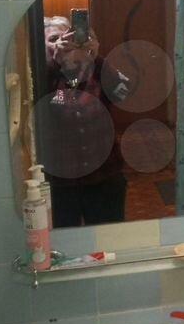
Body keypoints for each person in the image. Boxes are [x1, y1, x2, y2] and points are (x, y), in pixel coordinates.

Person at [38, 15, 131, 227]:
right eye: (53, 39)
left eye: (71, 38)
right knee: (65, 240)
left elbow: (123, 93)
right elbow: (41, 106)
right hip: (60, 182)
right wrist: (56, 63)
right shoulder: (42, 74)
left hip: (105, 175)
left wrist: (96, 59)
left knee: (108, 238)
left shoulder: (95, 69)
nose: (64, 44)